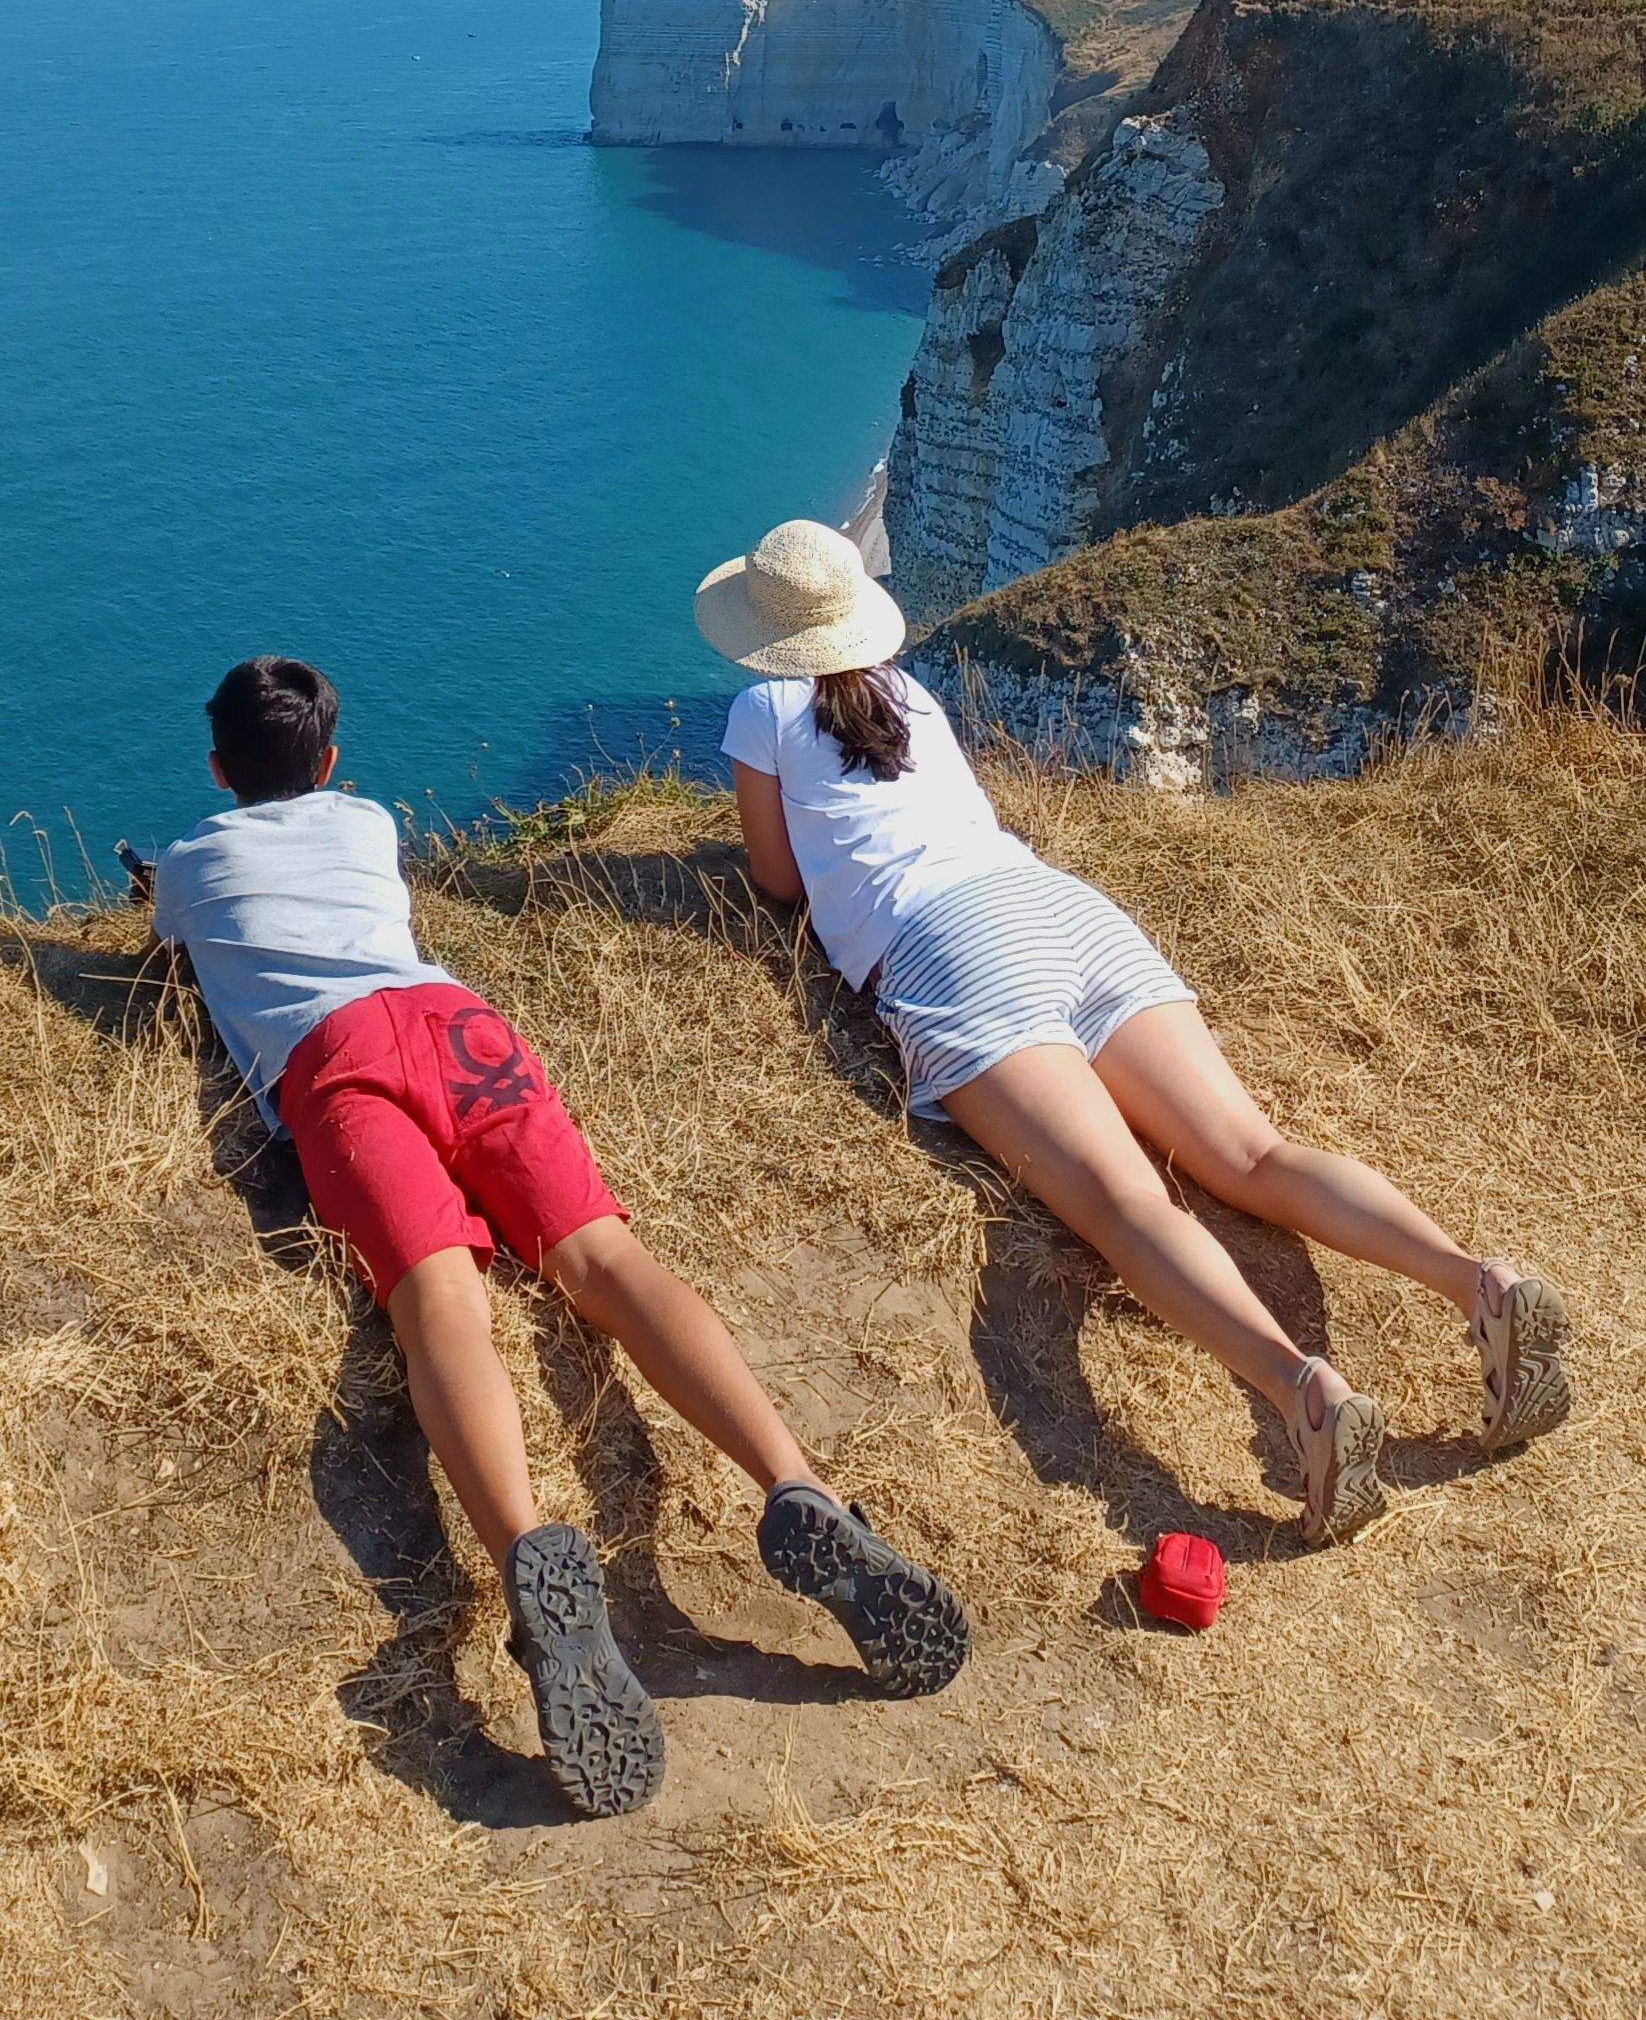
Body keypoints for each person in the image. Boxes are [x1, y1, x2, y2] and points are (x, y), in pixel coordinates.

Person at [136, 654, 969, 1817]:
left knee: (439, 1299)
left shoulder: (188, 862)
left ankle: (529, 1553)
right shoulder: (368, 823)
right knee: (603, 1260)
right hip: (458, 1024)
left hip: (340, 1066)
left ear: (219, 768)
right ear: (332, 764)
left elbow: (170, 945)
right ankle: (796, 1487)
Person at [699, 522, 1572, 1550]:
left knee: (1123, 1204)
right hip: (1057, 906)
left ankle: (1303, 1393)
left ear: (764, 634)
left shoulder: (761, 707)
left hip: (949, 948)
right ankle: (1477, 1281)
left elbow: (775, 883)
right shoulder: (909, 692)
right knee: (1251, 1154)